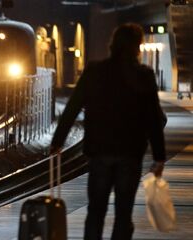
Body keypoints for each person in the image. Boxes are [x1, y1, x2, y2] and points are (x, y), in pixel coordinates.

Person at [50, 23, 166, 240]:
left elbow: (73, 107)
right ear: (137, 47)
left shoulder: (95, 71)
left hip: (100, 152)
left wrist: (58, 141)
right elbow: (153, 118)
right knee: (123, 214)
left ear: (112, 45)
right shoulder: (144, 75)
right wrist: (159, 157)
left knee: (95, 211)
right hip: (130, 154)